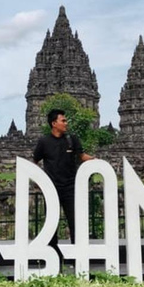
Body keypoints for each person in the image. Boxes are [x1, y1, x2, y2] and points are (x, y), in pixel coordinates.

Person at [33, 108, 94, 261]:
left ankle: (77, 256)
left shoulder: (72, 139)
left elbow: (82, 156)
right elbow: (34, 161)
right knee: (51, 223)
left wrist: (97, 161)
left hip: (70, 188)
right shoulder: (44, 142)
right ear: (54, 123)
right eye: (63, 121)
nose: (66, 123)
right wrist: (38, 182)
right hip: (51, 189)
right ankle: (53, 257)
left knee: (75, 222)